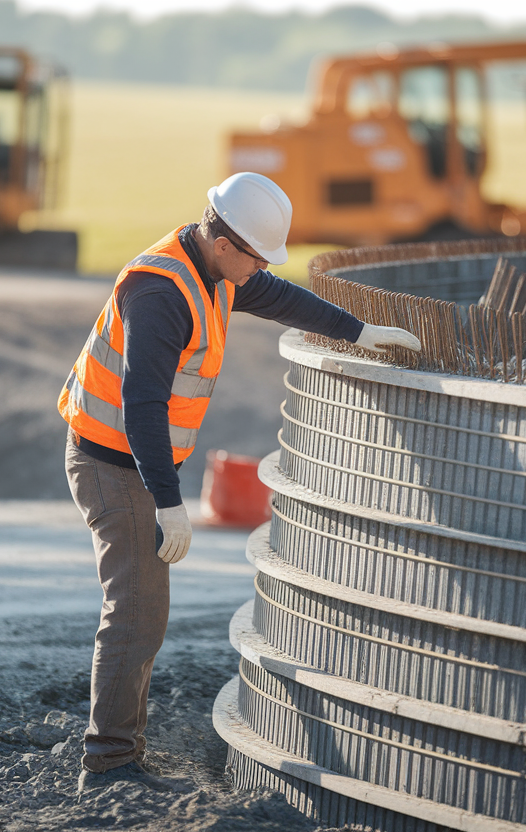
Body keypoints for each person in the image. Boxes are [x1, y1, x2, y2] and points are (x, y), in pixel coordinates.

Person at [58, 172, 420, 795]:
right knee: (136, 613)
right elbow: (142, 406)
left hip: (131, 461)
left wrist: (358, 332)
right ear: (224, 242)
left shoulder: (215, 269)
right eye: (257, 256)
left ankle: (118, 752)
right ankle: (109, 764)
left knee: (144, 612)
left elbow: (281, 298)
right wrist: (169, 502)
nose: (262, 269)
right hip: (111, 464)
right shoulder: (161, 293)